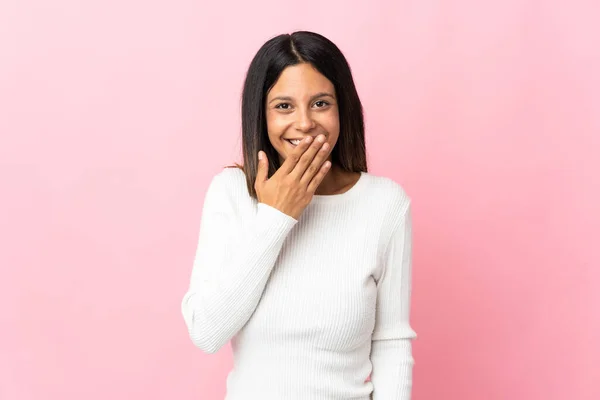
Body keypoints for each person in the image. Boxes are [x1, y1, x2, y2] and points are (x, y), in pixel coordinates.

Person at [181, 31, 417, 400]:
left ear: (343, 108)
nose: (305, 123)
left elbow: (391, 343)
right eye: (284, 106)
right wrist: (276, 216)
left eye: (321, 103)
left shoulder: (384, 203)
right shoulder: (231, 192)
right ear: (261, 114)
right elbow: (207, 332)